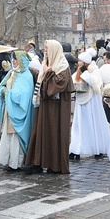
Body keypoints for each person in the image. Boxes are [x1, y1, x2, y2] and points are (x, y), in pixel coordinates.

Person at [23, 39, 75, 174]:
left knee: (53, 132)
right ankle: (38, 161)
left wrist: (48, 72)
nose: (45, 50)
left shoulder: (62, 66)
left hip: (56, 108)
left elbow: (56, 85)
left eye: (47, 48)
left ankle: (55, 164)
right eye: (45, 48)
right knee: (41, 131)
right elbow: (43, 82)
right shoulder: (47, 63)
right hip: (45, 104)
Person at [0, 51, 35, 171]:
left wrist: (8, 93)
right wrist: (3, 90)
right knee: (8, 135)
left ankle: (16, 162)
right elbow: (1, 86)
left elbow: (23, 95)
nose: (13, 61)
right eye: (12, 59)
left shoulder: (26, 75)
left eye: (16, 59)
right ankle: (8, 160)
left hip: (18, 110)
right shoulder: (12, 72)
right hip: (9, 109)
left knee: (16, 137)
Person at [69, 51, 110, 160]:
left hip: (92, 101)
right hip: (81, 99)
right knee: (79, 125)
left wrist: (85, 73)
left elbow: (96, 84)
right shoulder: (78, 70)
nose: (78, 62)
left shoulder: (94, 70)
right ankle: (76, 149)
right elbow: (73, 80)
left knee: (93, 123)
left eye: (80, 61)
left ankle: (97, 148)